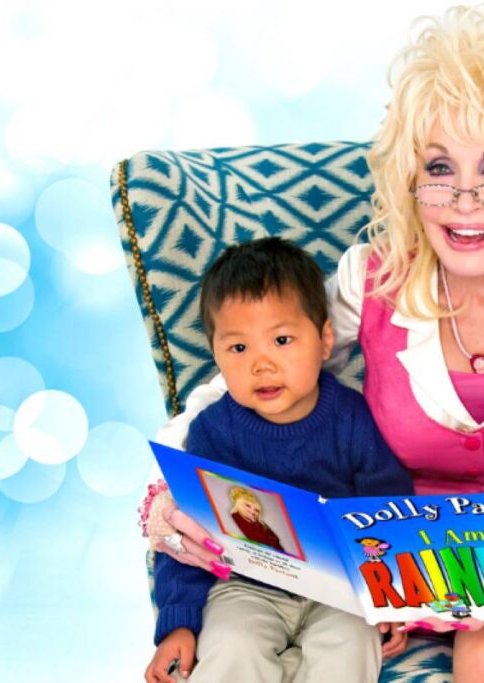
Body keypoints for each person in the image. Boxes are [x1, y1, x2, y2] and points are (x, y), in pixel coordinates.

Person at [146, 7, 484, 682]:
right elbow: (254, 372)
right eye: (437, 167)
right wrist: (169, 485)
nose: (463, 198)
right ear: (409, 177)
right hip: (404, 557)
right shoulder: (373, 278)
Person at [144, 237, 414, 683]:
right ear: (215, 355)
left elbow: (387, 511)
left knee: (348, 652)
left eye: (283, 340)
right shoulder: (211, 431)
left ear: (325, 339)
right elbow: (187, 537)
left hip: (340, 592)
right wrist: (177, 623)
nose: (262, 364)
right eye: (238, 349)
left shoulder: (353, 418)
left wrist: (392, 599)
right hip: (245, 588)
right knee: (231, 648)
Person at [227, 486, 284, 553]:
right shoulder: (235, 517)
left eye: (256, 510)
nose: (253, 512)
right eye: (248, 506)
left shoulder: (260, 524)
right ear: (238, 505)